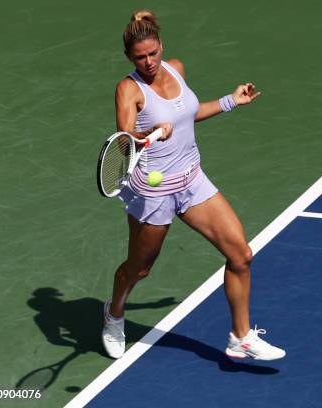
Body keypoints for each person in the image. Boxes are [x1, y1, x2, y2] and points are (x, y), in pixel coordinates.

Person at [101, 9, 285, 361]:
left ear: (161, 47)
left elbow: (189, 112)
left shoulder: (176, 68)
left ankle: (240, 337)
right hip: (153, 193)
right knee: (139, 268)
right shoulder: (128, 89)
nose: (149, 62)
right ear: (128, 58)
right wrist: (150, 134)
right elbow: (125, 138)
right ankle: (114, 314)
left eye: (153, 53)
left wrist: (232, 101)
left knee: (241, 255)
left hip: (192, 180)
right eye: (140, 57)